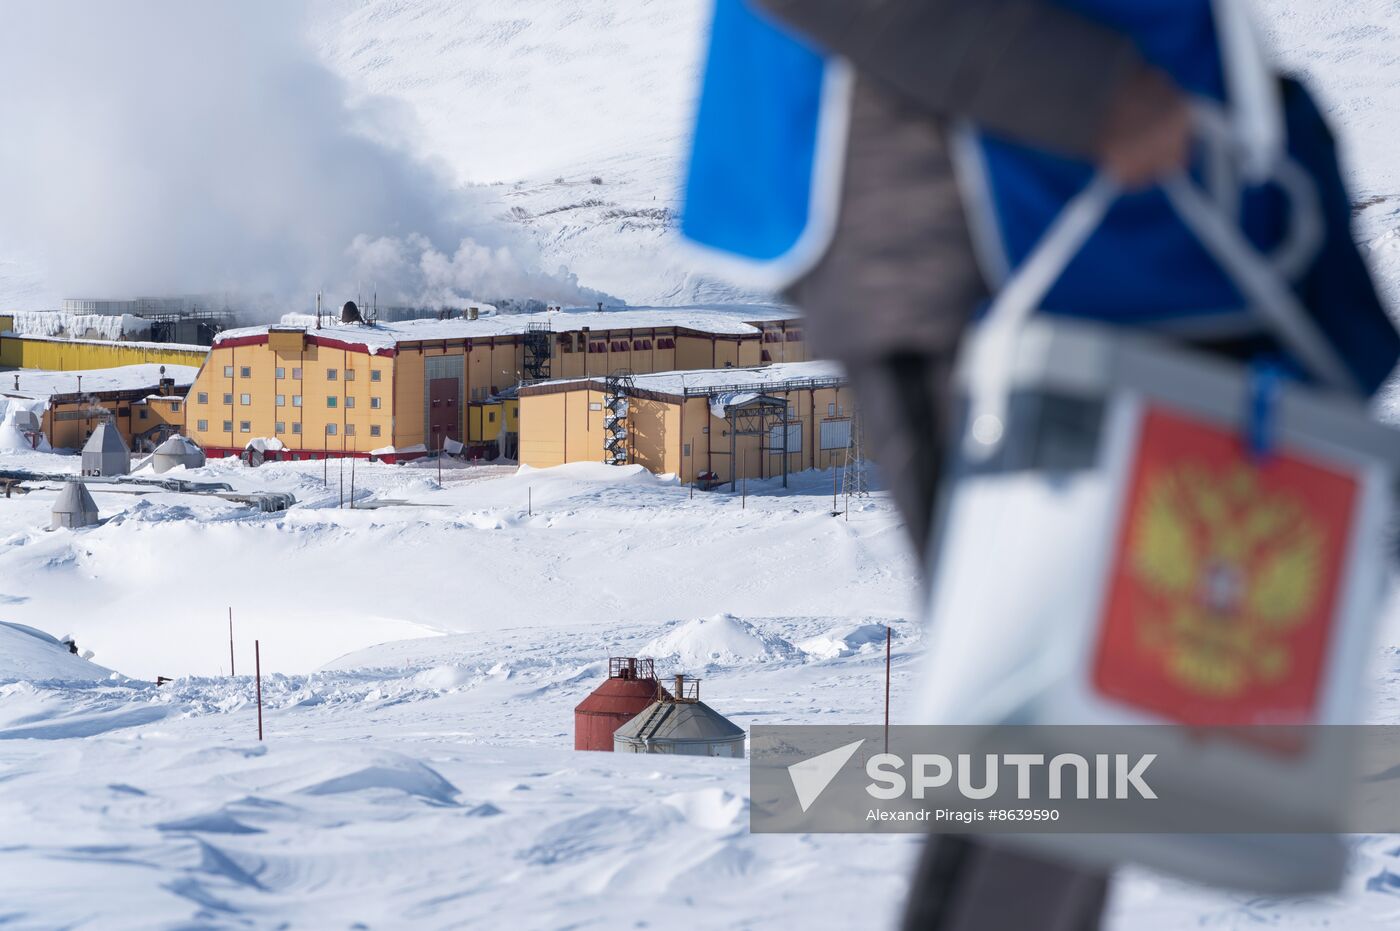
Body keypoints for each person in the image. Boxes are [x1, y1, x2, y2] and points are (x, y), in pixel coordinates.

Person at [744, 2, 1193, 928]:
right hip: (952, 250)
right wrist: (1088, 87)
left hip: (1088, 246)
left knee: (1084, 706)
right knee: (1050, 707)